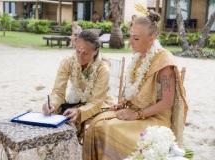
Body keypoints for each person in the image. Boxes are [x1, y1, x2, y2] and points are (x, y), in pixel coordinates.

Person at [83, 8, 188, 160]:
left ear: (152, 38)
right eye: (130, 36)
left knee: (110, 127)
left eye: (136, 38)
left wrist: (137, 115)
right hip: (135, 110)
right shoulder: (138, 56)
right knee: (98, 125)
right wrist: (123, 103)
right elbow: (133, 88)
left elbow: (167, 101)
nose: (130, 42)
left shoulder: (164, 62)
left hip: (156, 118)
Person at [42, 29, 113, 141]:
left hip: (99, 104)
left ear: (96, 51)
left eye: (85, 53)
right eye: (77, 51)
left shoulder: (103, 69)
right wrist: (52, 104)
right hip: (76, 100)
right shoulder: (68, 61)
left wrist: (79, 111)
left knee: (73, 119)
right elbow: (58, 91)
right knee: (52, 115)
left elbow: (96, 102)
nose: (80, 56)